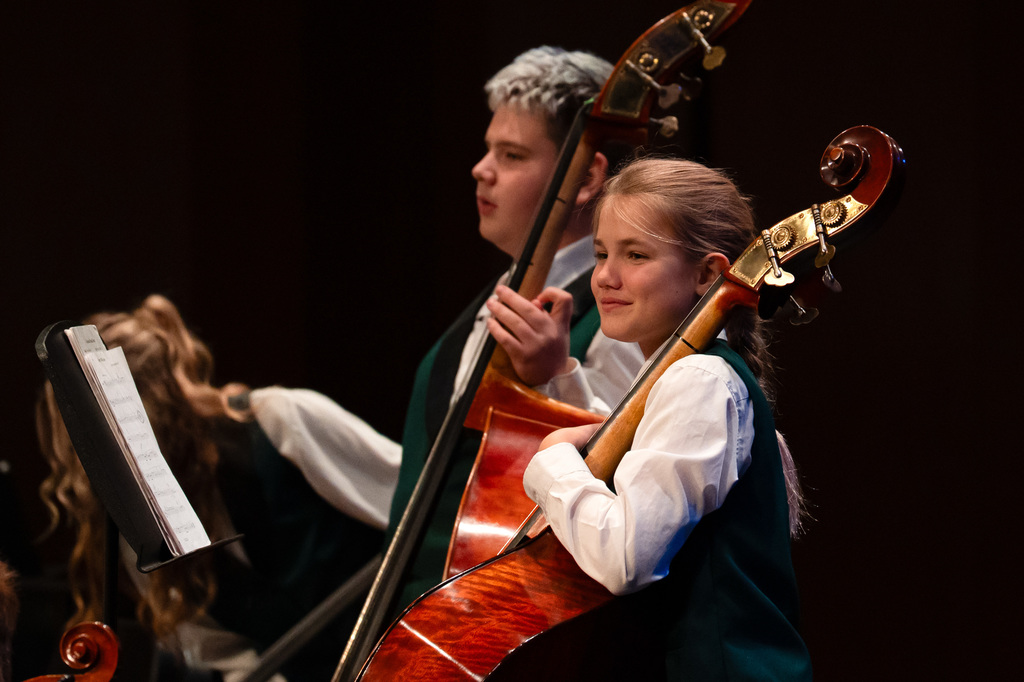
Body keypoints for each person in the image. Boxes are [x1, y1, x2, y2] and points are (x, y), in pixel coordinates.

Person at [521, 157, 812, 679]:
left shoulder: (698, 381)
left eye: (636, 255)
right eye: (601, 253)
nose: (605, 277)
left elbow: (625, 559)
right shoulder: (688, 379)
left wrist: (550, 463)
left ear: (707, 275)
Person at [386, 45, 645, 610]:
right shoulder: (492, 300)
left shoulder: (623, 311)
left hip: (504, 621)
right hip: (424, 621)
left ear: (584, 177)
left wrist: (555, 378)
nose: (482, 169)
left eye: (511, 154)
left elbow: (635, 477)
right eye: (488, 149)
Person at [36, 294, 398, 682]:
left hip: (417, 654)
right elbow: (232, 656)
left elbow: (423, 500)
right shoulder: (144, 538)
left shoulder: (282, 421)